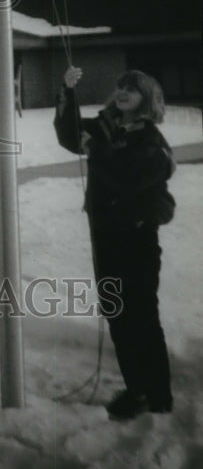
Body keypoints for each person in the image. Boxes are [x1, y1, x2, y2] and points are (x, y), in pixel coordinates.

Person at [54, 65, 176, 420]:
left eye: (133, 89)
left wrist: (98, 150)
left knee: (141, 315)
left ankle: (158, 395)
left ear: (146, 100)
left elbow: (127, 178)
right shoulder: (105, 127)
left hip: (136, 239)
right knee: (117, 314)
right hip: (106, 236)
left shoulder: (150, 140)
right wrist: (68, 92)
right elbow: (70, 136)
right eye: (121, 86)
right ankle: (136, 388)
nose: (123, 92)